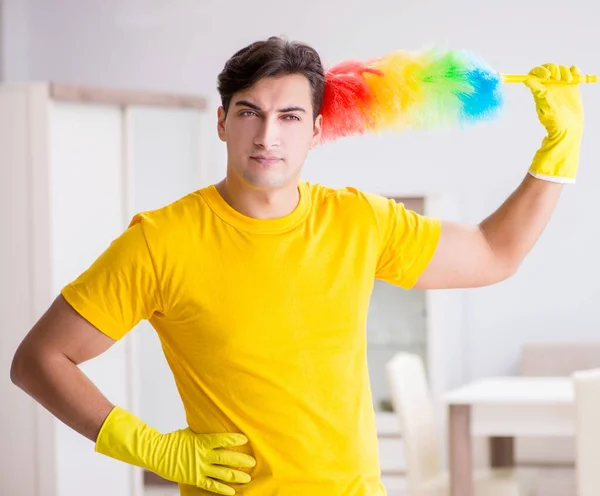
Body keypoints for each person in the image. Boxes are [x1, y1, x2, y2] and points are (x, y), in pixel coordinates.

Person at [10, 36, 584, 496]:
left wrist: (558, 151)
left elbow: (493, 253)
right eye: (249, 112)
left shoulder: (358, 220)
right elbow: (38, 360)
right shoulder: (160, 242)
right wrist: (148, 446)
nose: (267, 135)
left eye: (288, 116)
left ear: (315, 131)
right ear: (221, 122)